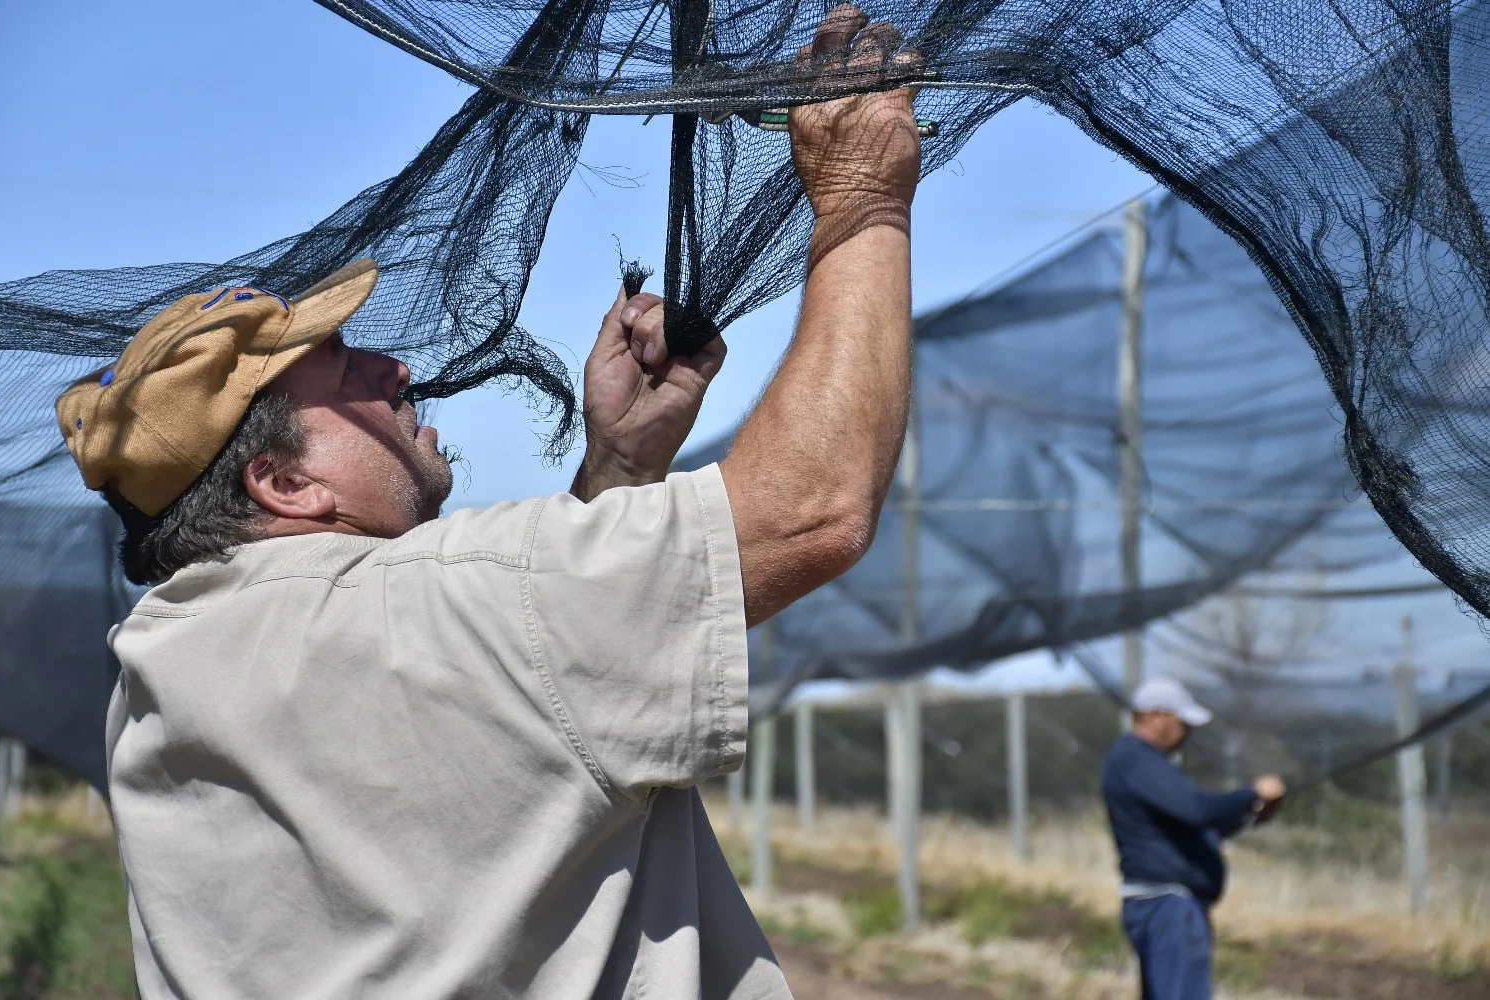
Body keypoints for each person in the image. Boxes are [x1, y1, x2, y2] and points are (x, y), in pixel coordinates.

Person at [53, 7, 922, 997]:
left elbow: (503, 734)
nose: (397, 366)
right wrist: (862, 196)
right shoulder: (440, 608)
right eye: (346, 371)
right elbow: (815, 505)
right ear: (284, 482)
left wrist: (617, 470)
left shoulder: (160, 674)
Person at [1102, 677, 1286, 1000]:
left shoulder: (1143, 764)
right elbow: (1198, 810)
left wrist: (1252, 813)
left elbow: (1198, 824)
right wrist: (1252, 792)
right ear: (1157, 716)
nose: (1187, 733)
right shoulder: (1136, 759)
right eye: (1182, 723)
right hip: (1168, 907)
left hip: (1163, 906)